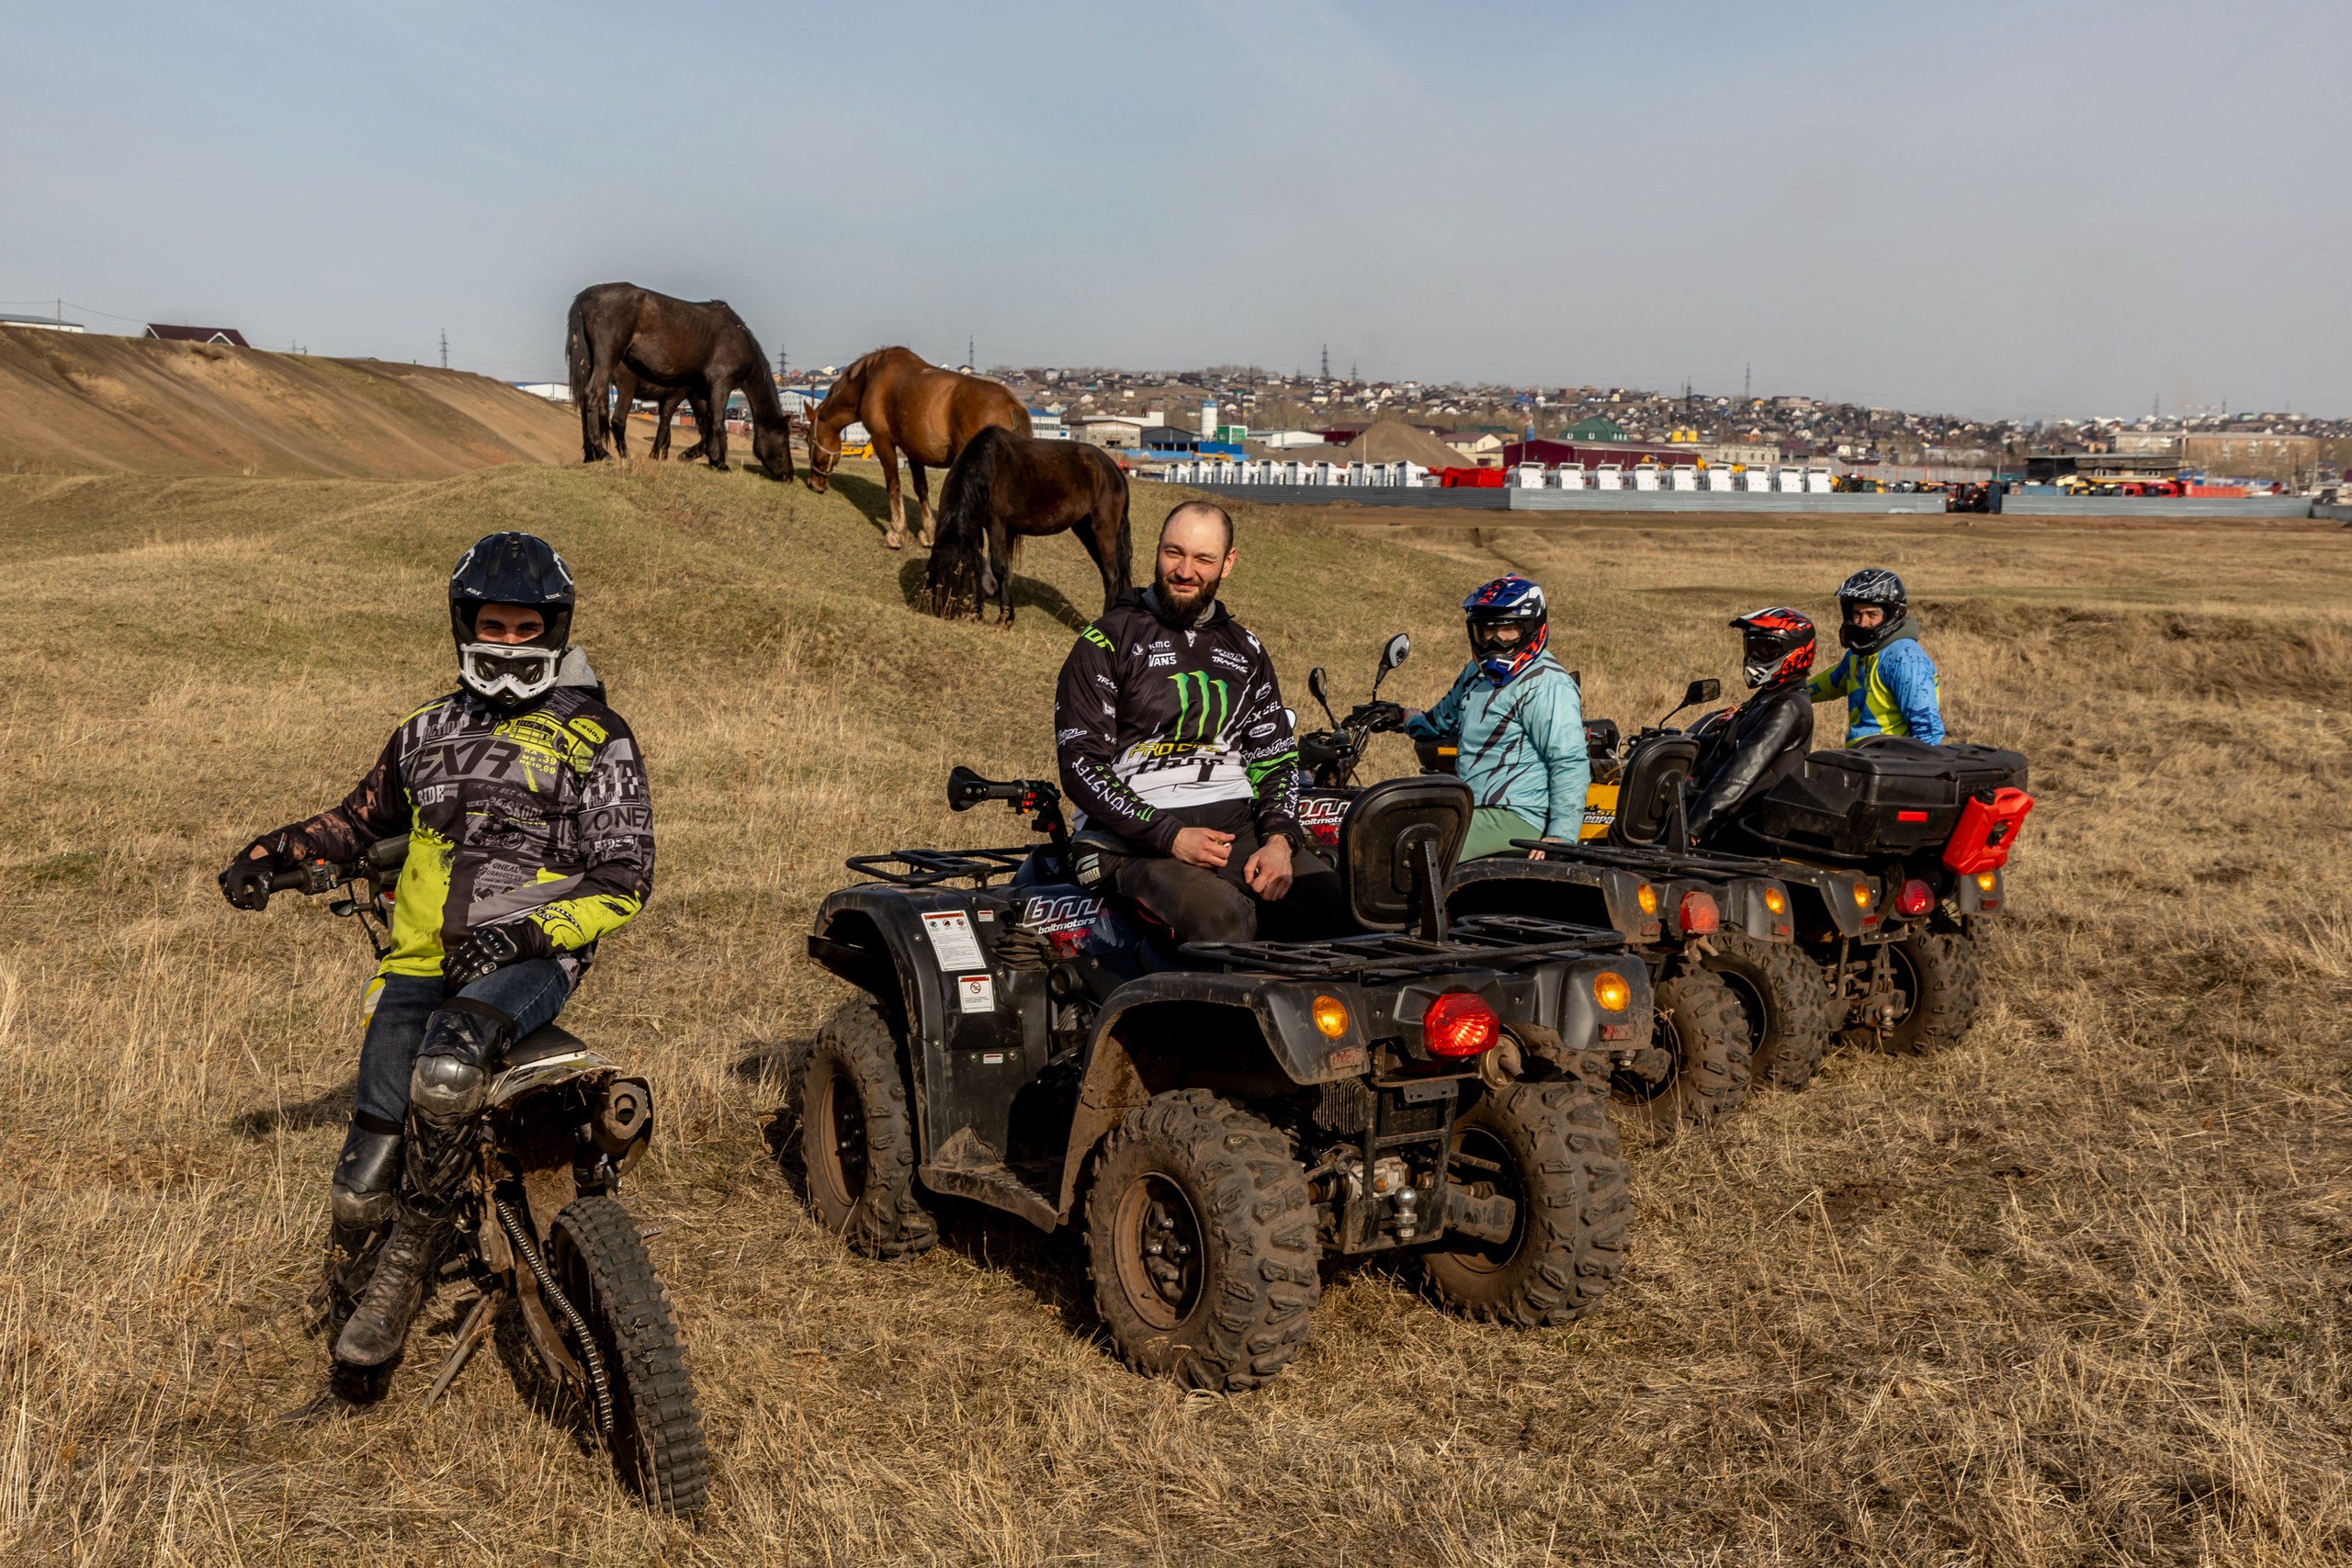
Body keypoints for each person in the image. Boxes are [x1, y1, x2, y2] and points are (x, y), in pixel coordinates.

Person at [218, 533, 655, 1382]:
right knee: (356, 1181)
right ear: (464, 625)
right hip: (417, 960)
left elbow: (626, 875)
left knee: (449, 1071)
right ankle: (353, 1281)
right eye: (493, 624)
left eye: (527, 628)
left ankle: (409, 1258)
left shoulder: (598, 736)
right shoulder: (423, 731)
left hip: (530, 955)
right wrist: (270, 855)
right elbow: (356, 822)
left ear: (556, 630)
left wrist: (527, 934)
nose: (508, 642)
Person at [1054, 500, 1340, 944]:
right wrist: (1170, 837)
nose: (1185, 570)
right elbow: (1081, 767)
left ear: (1227, 564)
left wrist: (1280, 843)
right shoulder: (1105, 638)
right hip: (1130, 839)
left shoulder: (1247, 649)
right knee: (1223, 919)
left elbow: (1276, 761)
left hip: (1236, 821)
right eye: (1174, 553)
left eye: (1203, 559)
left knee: (1333, 901)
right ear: (1158, 550)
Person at [1401, 575, 1589, 861]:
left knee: (1415, 849)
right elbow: (1440, 721)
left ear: (1531, 629)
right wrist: (1404, 718)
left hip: (1519, 814)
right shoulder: (1476, 674)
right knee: (1396, 824)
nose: (1495, 641)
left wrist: (1561, 835)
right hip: (1473, 806)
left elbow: (1568, 761)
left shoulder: (1547, 684)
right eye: (1486, 632)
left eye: (1508, 631)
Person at [1687, 607, 1816, 844]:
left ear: (1795, 652)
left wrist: (1697, 822)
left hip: (1744, 820)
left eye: (1766, 649)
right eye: (1752, 648)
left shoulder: (1789, 706)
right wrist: (1680, 740)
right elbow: (1726, 742)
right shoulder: (1769, 695)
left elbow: (1744, 766)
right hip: (1732, 809)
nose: (1755, 656)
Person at [1808, 568, 1945, 746]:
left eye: (1872, 615)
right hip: (1862, 759)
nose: (1863, 623)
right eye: (1857, 614)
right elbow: (1833, 681)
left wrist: (1917, 772)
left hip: (1891, 762)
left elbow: (1928, 732)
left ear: (1891, 615)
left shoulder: (1906, 659)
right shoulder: (1860, 653)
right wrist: (1793, 691)